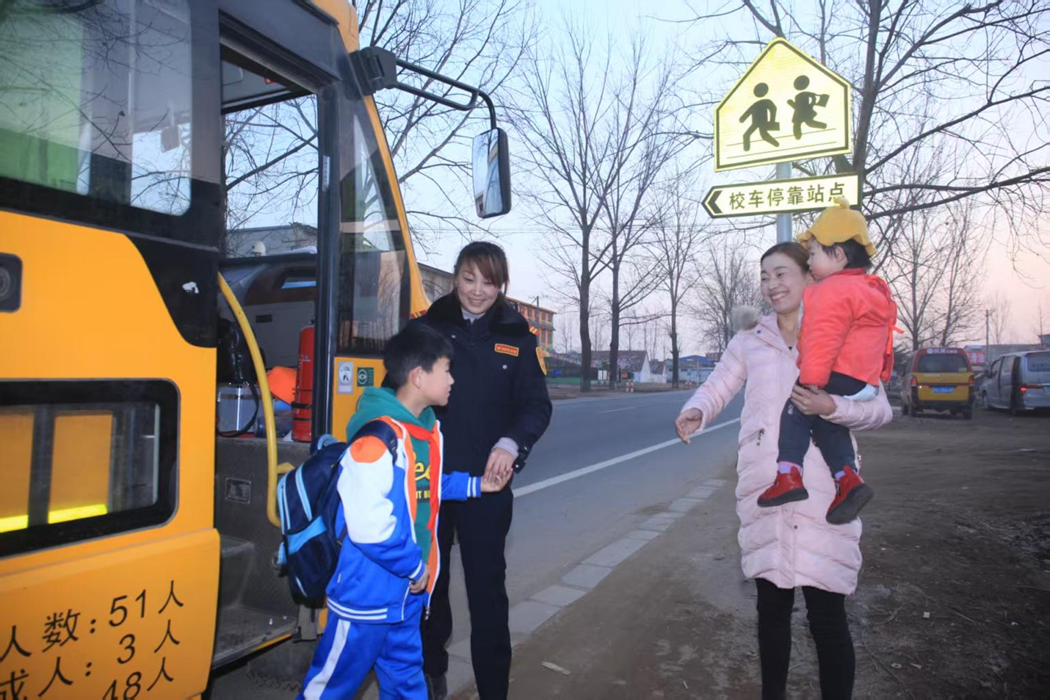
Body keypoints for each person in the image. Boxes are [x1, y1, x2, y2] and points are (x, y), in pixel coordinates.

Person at [674, 241, 892, 700]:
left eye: (781, 274)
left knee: (827, 618)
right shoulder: (750, 339)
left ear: (810, 277)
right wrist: (697, 410)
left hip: (826, 493)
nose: (771, 286)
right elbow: (718, 386)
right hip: (767, 488)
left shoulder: (839, 332)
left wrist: (832, 406)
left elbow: (879, 410)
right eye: (765, 277)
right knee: (771, 614)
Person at [297, 324, 509, 700]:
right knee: (330, 689)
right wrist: (414, 566)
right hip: (366, 598)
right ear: (418, 376)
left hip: (406, 597)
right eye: (446, 369)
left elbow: (426, 487)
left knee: (407, 685)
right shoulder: (377, 440)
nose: (452, 380)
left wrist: (478, 486)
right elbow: (369, 528)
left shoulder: (425, 430)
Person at [419, 241, 552, 700]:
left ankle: (494, 690)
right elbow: (398, 394)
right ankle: (430, 675)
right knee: (427, 590)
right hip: (428, 485)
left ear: (502, 285)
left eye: (489, 282)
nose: (477, 291)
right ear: (455, 276)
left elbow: (536, 405)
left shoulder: (517, 335)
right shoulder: (428, 329)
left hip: (487, 487)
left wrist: (511, 444)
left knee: (487, 594)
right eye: (468, 279)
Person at [758, 198, 896, 524]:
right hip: (863, 379)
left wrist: (812, 380)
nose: (812, 260)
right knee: (825, 422)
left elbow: (823, 339)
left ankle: (788, 474)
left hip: (836, 372)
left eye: (816, 253)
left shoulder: (830, 291)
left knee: (796, 409)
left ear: (838, 255)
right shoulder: (870, 287)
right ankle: (847, 478)